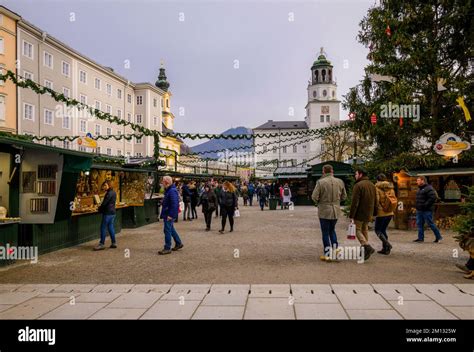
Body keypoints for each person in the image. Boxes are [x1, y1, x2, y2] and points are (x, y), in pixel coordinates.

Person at [312, 164, 347, 261]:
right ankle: (336, 253)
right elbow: (344, 197)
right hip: (336, 210)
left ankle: (327, 255)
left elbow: (314, 197)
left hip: (324, 210)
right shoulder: (340, 181)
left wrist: (319, 202)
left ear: (323, 171)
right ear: (332, 171)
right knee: (332, 231)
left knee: (325, 233)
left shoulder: (320, 182)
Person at [349, 167, 378, 261]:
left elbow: (355, 202)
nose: (355, 176)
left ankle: (366, 246)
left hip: (359, 212)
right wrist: (375, 212)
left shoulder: (358, 185)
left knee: (357, 230)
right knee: (364, 229)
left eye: (356, 174)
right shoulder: (372, 185)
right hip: (369, 212)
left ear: (360, 174)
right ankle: (365, 250)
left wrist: (351, 215)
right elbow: (376, 200)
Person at [413, 176, 443, 243]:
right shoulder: (419, 189)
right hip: (419, 210)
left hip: (426, 210)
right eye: (417, 180)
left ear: (423, 181)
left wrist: (425, 205)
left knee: (430, 223)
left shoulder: (429, 188)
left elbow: (433, 198)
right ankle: (420, 238)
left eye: (418, 180)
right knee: (419, 224)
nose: (417, 182)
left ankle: (439, 237)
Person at [158, 176, 183, 255]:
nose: (162, 183)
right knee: (171, 229)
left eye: (163, 182)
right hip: (168, 213)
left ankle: (167, 247)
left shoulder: (171, 191)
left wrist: (171, 215)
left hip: (169, 214)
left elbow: (174, 204)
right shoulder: (170, 190)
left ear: (167, 182)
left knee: (167, 230)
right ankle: (178, 243)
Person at [375, 174, 396, 254]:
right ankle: (385, 249)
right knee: (383, 230)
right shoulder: (391, 188)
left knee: (378, 230)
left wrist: (375, 210)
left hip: (381, 212)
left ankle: (387, 244)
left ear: (378, 180)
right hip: (390, 212)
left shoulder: (376, 188)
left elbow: (376, 201)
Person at [94, 180, 117, 250]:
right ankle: (114, 243)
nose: (104, 187)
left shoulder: (109, 193)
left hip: (107, 213)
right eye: (104, 185)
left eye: (105, 185)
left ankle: (102, 244)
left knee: (103, 228)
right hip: (113, 213)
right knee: (111, 227)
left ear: (109, 185)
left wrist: (99, 208)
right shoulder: (114, 192)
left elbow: (104, 203)